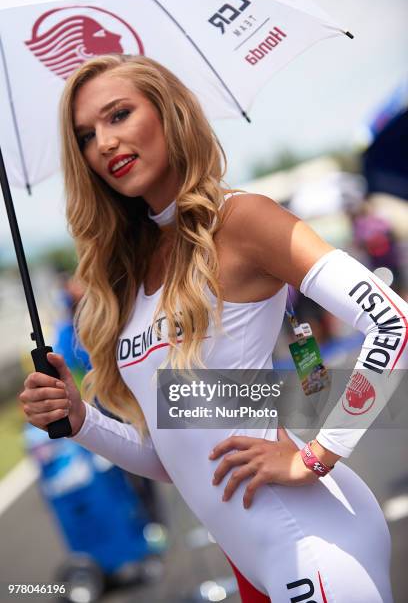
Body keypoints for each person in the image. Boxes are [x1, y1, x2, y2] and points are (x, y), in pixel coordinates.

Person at [19, 55, 407, 603]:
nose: (103, 143)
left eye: (119, 115)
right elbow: (178, 457)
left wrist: (317, 453)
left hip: (313, 545)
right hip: (250, 559)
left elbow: (393, 321)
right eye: (86, 135)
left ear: (169, 112)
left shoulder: (242, 219)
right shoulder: (131, 272)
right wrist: (80, 420)